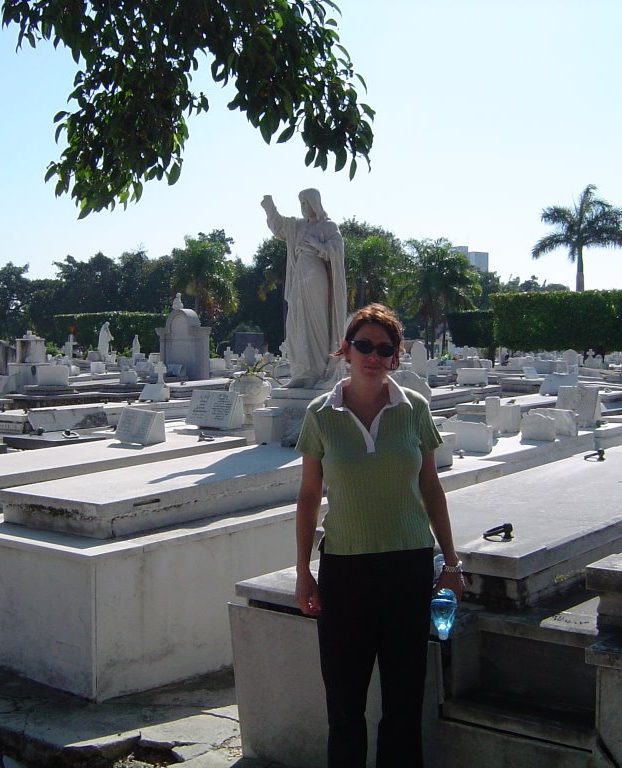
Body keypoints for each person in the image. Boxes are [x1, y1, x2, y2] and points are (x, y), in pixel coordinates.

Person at [294, 303, 466, 768]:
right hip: (345, 569)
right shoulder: (320, 414)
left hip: (408, 566)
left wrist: (451, 565)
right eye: (364, 345)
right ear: (346, 349)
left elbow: (431, 487)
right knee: (345, 706)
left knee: (404, 704)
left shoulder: (414, 409)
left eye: (384, 348)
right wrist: (303, 572)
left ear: (396, 355)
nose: (373, 355)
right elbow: (309, 496)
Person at [261, 189, 347, 388]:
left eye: (306, 203)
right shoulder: (297, 226)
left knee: (316, 324)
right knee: (297, 324)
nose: (303, 207)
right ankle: (301, 373)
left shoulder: (328, 226)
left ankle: (317, 372)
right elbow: (280, 226)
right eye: (301, 203)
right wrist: (269, 207)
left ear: (315, 203)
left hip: (316, 277)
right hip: (298, 277)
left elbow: (336, 251)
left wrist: (317, 245)